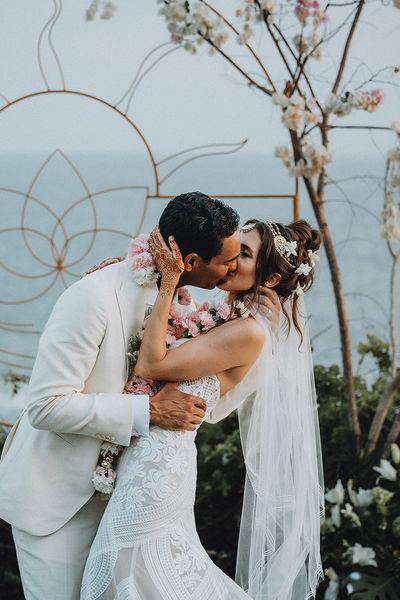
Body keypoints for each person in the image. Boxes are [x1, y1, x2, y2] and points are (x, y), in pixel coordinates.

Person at [0, 192, 279, 600]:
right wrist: (146, 410)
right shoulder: (94, 296)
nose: (234, 267)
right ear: (191, 262)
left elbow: (210, 392)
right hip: (56, 504)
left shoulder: (183, 300)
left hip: (124, 499)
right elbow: (46, 405)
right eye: (228, 261)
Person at [81, 218, 325, 599]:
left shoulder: (250, 331)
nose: (228, 258)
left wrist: (166, 283)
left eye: (244, 254)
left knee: (122, 575)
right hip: (145, 456)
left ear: (271, 279)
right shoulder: (227, 317)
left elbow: (151, 366)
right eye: (233, 246)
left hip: (159, 466)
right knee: (136, 578)